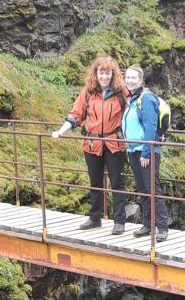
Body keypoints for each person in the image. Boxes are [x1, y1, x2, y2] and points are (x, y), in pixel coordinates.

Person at [52, 56, 128, 234]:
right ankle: (95, 218)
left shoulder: (121, 92)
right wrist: (61, 131)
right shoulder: (88, 92)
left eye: (107, 73)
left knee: (117, 182)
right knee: (95, 182)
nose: (104, 77)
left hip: (114, 142)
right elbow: (76, 114)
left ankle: (119, 221)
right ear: (96, 73)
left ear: (112, 74)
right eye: (101, 72)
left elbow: (136, 107)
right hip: (93, 143)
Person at [122, 64, 169, 242]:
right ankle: (148, 224)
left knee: (152, 189)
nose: (130, 80)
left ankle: (162, 227)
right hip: (133, 150)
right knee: (142, 189)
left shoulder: (146, 98)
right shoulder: (133, 98)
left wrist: (146, 153)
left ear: (141, 79)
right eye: (128, 77)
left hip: (146, 151)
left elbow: (150, 127)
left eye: (134, 78)